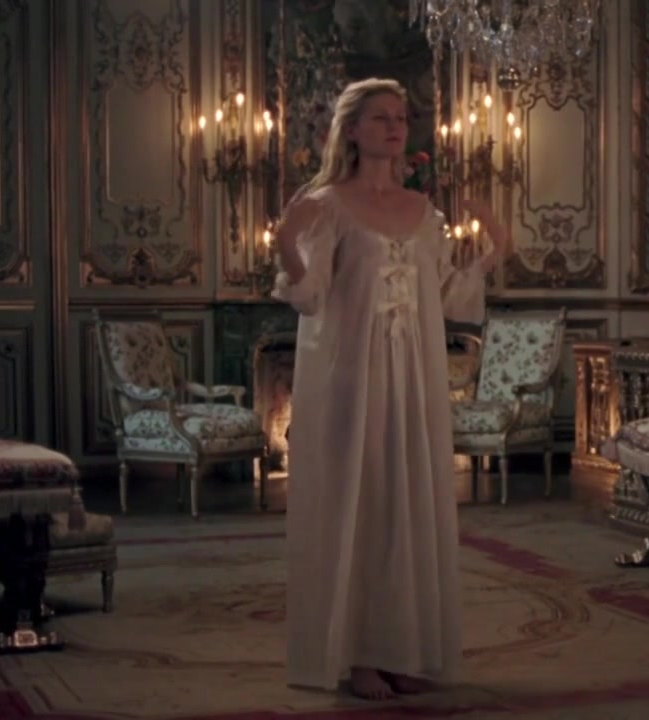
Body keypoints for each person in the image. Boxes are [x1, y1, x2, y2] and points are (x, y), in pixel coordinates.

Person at [271, 77, 506, 701]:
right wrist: (287, 243)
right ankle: (358, 655)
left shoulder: (423, 212)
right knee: (361, 505)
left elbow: (446, 294)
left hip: (415, 378)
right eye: (380, 118)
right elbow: (310, 296)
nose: (395, 127)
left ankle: (402, 648)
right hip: (350, 376)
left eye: (400, 117)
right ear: (351, 130)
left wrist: (494, 249)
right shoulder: (327, 204)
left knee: (406, 504)